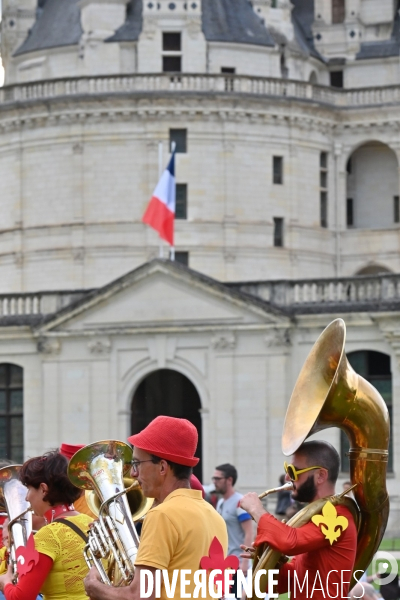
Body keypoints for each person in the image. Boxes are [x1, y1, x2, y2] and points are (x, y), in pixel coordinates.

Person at [84, 415, 228, 600]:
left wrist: (96, 588)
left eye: (137, 463)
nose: (134, 473)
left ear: (162, 467)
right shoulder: (214, 515)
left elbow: (140, 595)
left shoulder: (162, 515)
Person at [240, 441, 358, 600]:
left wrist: (257, 510)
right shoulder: (312, 517)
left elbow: (290, 543)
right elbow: (291, 581)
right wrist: (267, 560)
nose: (287, 478)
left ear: (320, 476)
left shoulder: (337, 516)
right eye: (287, 470)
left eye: (294, 471)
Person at [0, 450, 93, 600]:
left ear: (43, 489)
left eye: (29, 489)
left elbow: (21, 597)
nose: (27, 497)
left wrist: (5, 583)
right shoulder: (88, 521)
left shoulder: (49, 535)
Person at [212, 463, 253, 597]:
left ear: (229, 480)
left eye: (218, 479)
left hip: (238, 563)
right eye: (214, 478)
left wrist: (245, 563)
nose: (214, 482)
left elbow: (249, 532)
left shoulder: (240, 502)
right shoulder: (220, 502)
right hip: (224, 564)